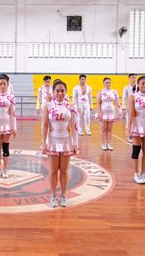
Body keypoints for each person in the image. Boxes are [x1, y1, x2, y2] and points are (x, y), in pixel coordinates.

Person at [41, 80, 79, 208]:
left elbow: (74, 127)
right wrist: (44, 143)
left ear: (66, 92)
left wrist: (75, 144)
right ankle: (52, 196)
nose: (60, 93)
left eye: (62, 90)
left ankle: (63, 195)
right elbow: (45, 125)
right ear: (53, 92)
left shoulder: (71, 106)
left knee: (64, 171)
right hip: (52, 141)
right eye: (57, 90)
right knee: (52, 171)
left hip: (66, 142)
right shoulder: (48, 106)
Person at [96, 78, 122, 151]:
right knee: (103, 128)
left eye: (109, 82)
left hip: (111, 112)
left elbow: (117, 102)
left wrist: (119, 110)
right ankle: (103, 144)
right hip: (103, 112)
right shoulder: (100, 92)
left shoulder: (114, 92)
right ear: (103, 83)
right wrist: (99, 112)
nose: (108, 84)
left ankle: (109, 144)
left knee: (110, 129)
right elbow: (98, 103)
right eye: (106, 82)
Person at [122, 73, 138, 143]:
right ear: (129, 78)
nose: (134, 79)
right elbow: (124, 98)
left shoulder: (138, 87)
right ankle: (129, 136)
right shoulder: (126, 88)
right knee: (129, 122)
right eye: (132, 77)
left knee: (137, 122)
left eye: (135, 78)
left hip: (137, 107)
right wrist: (123, 108)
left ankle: (136, 136)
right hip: (129, 107)